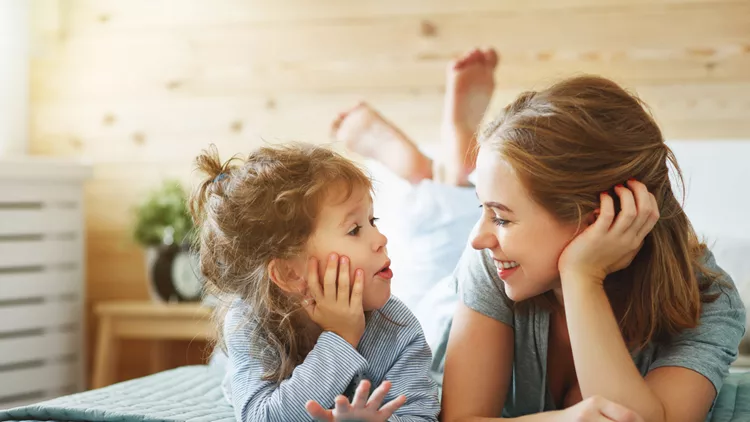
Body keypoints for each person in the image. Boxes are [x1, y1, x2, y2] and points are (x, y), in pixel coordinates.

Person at [335, 48, 745, 421]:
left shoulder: (707, 301)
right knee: (439, 258)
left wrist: (582, 278)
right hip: (448, 310)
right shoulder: (488, 263)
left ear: (598, 218)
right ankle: (441, 169)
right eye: (489, 211)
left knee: (452, 231)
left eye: (502, 218)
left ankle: (447, 174)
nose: (481, 238)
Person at [189, 143, 440, 421]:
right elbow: (262, 418)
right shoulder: (250, 323)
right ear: (290, 275)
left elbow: (421, 415)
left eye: (373, 220)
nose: (381, 239)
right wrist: (340, 339)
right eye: (354, 230)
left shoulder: (399, 329)